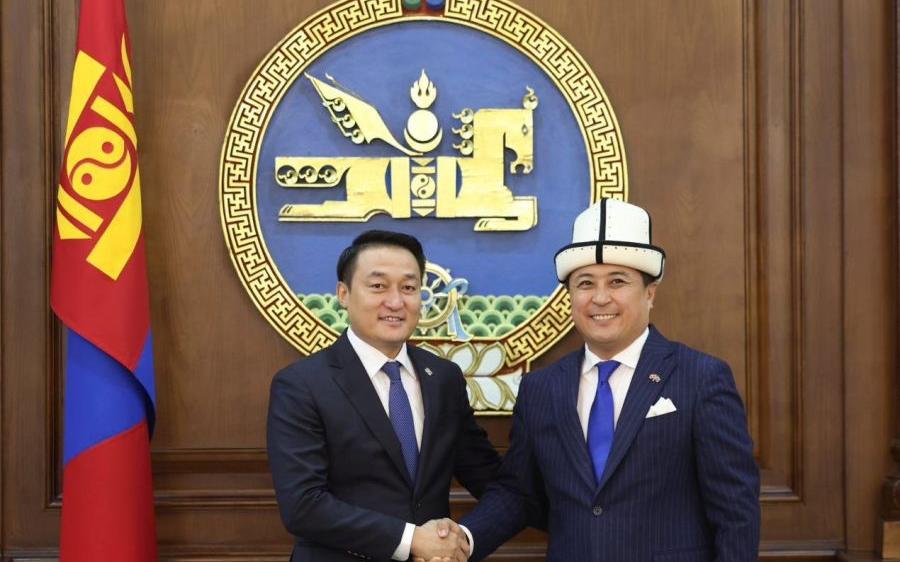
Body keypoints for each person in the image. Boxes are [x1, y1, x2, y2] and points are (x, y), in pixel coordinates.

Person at [454, 199, 760, 561]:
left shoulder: (701, 378)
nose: (600, 298)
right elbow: (519, 493)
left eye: (617, 281)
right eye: (585, 283)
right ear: (570, 296)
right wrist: (462, 541)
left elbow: (736, 512)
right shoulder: (541, 389)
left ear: (649, 293)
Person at [267, 230, 500, 562]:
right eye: (378, 286)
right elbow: (303, 505)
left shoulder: (443, 378)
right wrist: (411, 540)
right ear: (343, 294)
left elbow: (489, 478)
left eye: (409, 288)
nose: (395, 302)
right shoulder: (301, 385)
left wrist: (462, 539)